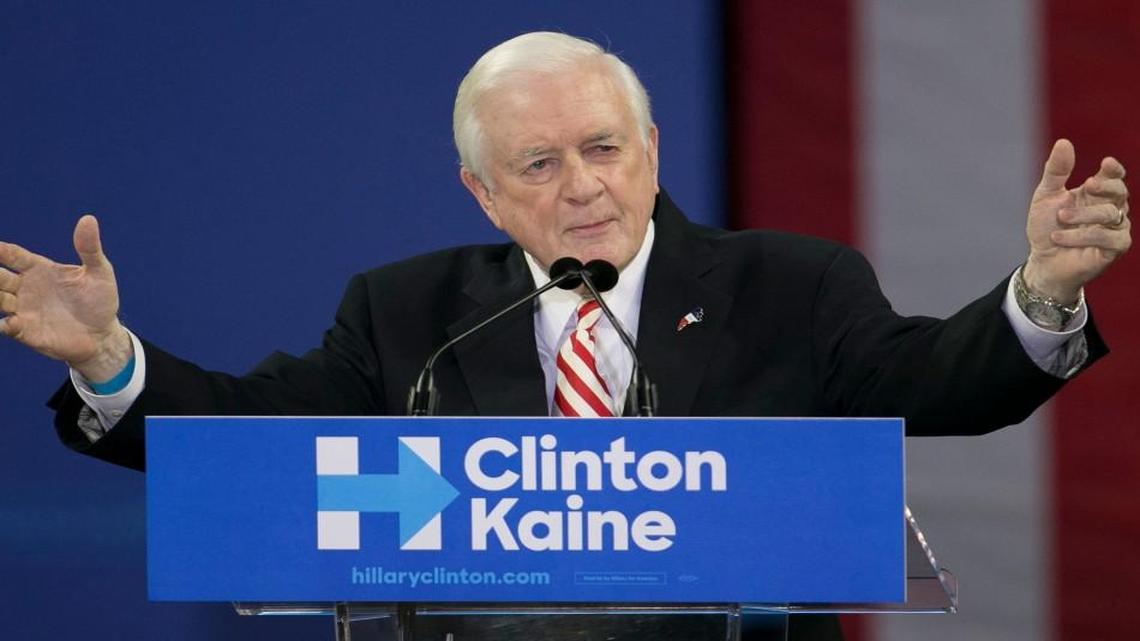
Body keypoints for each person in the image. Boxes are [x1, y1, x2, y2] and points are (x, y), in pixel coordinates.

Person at [0, 32, 1131, 641]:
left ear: (651, 146)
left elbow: (938, 384)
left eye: (602, 147)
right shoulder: (407, 313)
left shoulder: (791, 285)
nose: (581, 185)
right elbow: (253, 437)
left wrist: (1040, 290)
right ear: (483, 193)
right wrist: (108, 358)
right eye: (538, 164)